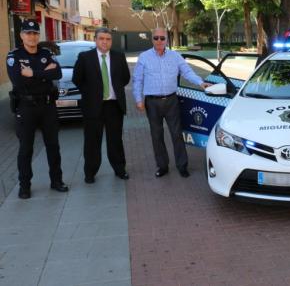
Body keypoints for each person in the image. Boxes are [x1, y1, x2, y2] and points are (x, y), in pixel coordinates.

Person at [132, 28, 211, 178]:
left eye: (162, 38)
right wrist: (138, 99)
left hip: (171, 100)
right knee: (156, 135)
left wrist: (201, 83)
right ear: (152, 39)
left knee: (176, 134)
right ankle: (162, 166)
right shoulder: (144, 57)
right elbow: (138, 80)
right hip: (152, 102)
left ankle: (182, 166)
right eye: (156, 38)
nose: (159, 41)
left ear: (167, 40)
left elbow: (187, 72)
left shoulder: (175, 56)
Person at [5, 19, 68, 199]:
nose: (31, 37)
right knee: (26, 149)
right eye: (28, 33)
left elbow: (57, 73)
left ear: (38, 35)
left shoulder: (46, 52)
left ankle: (57, 181)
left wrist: (32, 73)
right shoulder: (14, 56)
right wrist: (43, 72)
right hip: (25, 107)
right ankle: (24, 185)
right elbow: (18, 80)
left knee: (53, 146)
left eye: (34, 33)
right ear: (21, 35)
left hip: (47, 106)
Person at [72, 27, 131, 184]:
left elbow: (125, 78)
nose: (105, 42)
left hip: (114, 105)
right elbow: (77, 79)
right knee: (92, 141)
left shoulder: (119, 57)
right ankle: (90, 173)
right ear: (95, 40)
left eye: (108, 39)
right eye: (101, 38)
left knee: (115, 141)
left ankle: (119, 169)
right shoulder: (85, 57)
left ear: (111, 41)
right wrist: (91, 93)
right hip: (93, 106)